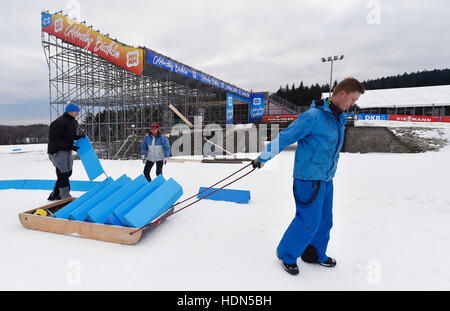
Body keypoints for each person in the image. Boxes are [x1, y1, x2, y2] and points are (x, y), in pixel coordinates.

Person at [251, 77, 365, 276]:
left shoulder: (338, 117)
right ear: (342, 94)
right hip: (308, 179)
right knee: (308, 220)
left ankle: (314, 253)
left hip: (326, 179)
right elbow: (287, 136)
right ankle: (286, 254)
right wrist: (263, 157)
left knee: (325, 220)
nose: (353, 104)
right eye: (352, 99)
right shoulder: (313, 117)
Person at [47, 102, 85, 200]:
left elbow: (68, 137)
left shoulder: (73, 122)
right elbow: (54, 139)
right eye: (76, 111)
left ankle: (55, 193)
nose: (78, 113)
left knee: (68, 172)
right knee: (63, 173)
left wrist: (78, 137)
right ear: (70, 111)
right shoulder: (58, 122)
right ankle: (65, 196)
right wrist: (70, 146)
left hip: (67, 149)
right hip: (57, 151)